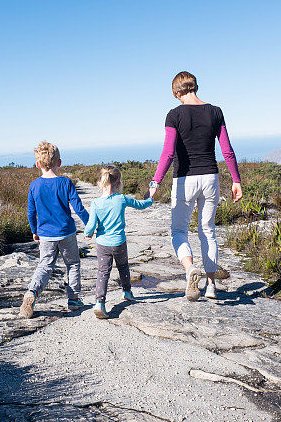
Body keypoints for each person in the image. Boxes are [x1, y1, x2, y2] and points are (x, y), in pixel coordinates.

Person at [148, 71, 242, 301]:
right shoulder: (215, 111)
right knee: (207, 231)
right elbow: (227, 150)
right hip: (210, 177)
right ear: (195, 87)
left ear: (178, 92)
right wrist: (236, 180)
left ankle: (190, 271)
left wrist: (156, 181)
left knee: (179, 230)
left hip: (184, 180)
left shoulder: (174, 115)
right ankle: (211, 286)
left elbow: (168, 153)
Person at [21, 141, 90, 319]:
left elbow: (31, 212)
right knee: (73, 264)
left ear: (38, 164)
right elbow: (79, 208)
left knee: (45, 265)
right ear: (59, 162)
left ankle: (32, 292)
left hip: (45, 234)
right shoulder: (66, 183)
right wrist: (90, 226)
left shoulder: (34, 186)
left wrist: (34, 230)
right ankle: (73, 299)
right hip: (67, 232)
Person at [84, 165, 153, 319]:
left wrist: (87, 234)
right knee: (123, 267)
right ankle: (127, 292)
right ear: (118, 183)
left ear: (100, 182)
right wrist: (150, 199)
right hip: (119, 242)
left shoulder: (96, 203)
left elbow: (90, 225)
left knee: (103, 272)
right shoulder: (121, 199)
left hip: (103, 244)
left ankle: (99, 303)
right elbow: (141, 205)